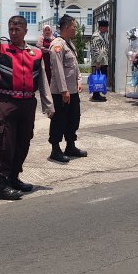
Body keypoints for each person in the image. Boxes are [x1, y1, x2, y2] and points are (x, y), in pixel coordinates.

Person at [0, 0, 54, 200]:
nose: (14, 32)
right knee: (4, 143)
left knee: (23, 142)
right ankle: (2, 185)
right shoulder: (0, 48)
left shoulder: (35, 53)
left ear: (26, 30)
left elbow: (42, 80)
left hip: (28, 104)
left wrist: (48, 105)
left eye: (17, 28)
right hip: (6, 104)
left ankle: (14, 177)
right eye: (11, 28)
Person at [48, 15, 86, 163]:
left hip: (73, 91)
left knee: (73, 119)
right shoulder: (57, 44)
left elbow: (74, 66)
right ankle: (55, 150)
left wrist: (79, 81)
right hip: (61, 92)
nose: (75, 29)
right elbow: (57, 70)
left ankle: (70, 146)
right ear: (66, 27)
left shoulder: (69, 43)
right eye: (74, 26)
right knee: (59, 120)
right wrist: (64, 90)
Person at [89, 20, 110, 102]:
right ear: (101, 27)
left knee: (101, 78)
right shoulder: (96, 36)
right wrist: (98, 61)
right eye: (106, 27)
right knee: (98, 78)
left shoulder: (100, 35)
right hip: (99, 62)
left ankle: (97, 94)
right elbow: (95, 49)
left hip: (102, 61)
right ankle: (96, 95)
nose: (107, 29)